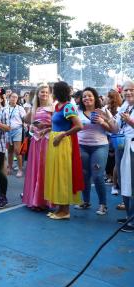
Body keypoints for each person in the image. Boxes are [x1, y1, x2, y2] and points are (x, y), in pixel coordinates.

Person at [44, 81, 83, 220]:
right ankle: (60, 208)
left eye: (53, 90)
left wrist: (62, 135)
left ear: (58, 92)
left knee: (63, 175)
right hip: (56, 142)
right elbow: (57, 123)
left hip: (63, 143)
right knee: (56, 174)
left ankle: (65, 210)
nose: (51, 93)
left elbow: (79, 126)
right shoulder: (58, 106)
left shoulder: (68, 107)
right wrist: (47, 128)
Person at [75, 87, 116, 215]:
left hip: (100, 146)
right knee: (84, 175)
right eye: (84, 97)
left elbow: (114, 129)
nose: (87, 98)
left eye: (90, 96)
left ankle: (103, 204)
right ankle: (86, 201)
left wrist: (102, 121)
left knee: (98, 176)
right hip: (82, 146)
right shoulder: (78, 111)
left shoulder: (103, 110)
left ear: (95, 97)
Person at [22, 84, 53, 211]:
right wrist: (31, 109)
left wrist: (45, 128)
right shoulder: (35, 108)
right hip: (35, 141)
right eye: (42, 92)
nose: (44, 94)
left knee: (44, 169)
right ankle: (35, 200)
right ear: (38, 94)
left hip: (47, 141)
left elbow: (57, 125)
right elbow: (26, 120)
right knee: (35, 169)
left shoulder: (53, 108)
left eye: (46, 92)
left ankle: (45, 201)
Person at [114, 80, 134, 232]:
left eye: (132, 90)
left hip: (132, 147)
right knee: (123, 181)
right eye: (126, 90)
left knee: (132, 183)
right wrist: (105, 120)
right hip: (121, 145)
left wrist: (130, 121)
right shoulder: (124, 106)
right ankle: (129, 216)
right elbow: (116, 126)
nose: (128, 92)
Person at [104, 89, 123, 195]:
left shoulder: (120, 109)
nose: (106, 98)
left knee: (117, 162)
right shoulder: (106, 108)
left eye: (108, 96)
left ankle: (115, 184)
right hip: (112, 137)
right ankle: (114, 184)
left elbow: (117, 126)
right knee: (116, 162)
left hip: (116, 138)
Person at [6, 92, 27, 177]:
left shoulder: (20, 108)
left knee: (17, 151)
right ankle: (10, 167)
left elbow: (24, 119)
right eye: (13, 97)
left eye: (16, 97)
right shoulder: (5, 108)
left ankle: (20, 169)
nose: (14, 98)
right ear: (9, 98)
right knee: (10, 151)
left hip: (17, 130)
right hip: (7, 131)